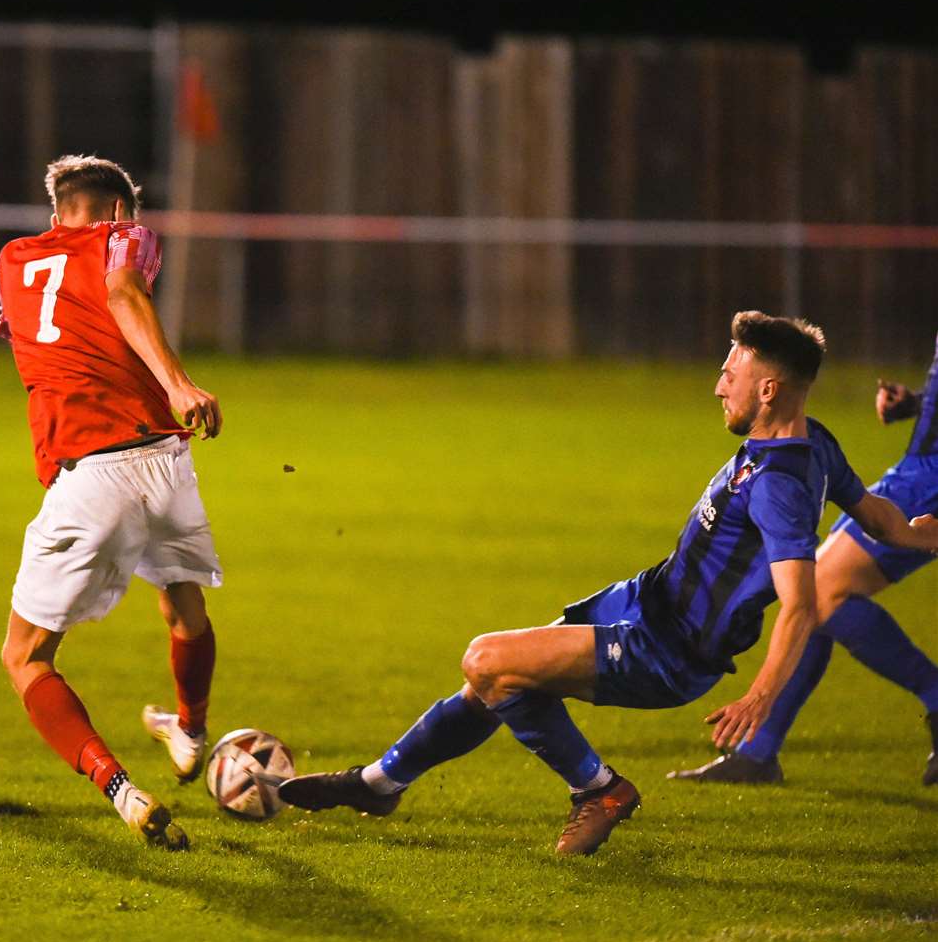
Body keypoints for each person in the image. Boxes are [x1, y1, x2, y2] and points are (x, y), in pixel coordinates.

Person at [280, 312, 938, 855]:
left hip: (668, 650)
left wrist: (761, 697)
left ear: (767, 391)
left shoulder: (777, 487)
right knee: (490, 682)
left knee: (489, 663)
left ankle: (598, 790)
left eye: (728, 374)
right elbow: (872, 511)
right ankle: (375, 783)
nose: (717, 387)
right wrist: (919, 533)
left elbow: (799, 603)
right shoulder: (812, 441)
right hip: (643, 602)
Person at [0, 155, 223, 851]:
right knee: (185, 608)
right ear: (122, 212)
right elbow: (123, 288)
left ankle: (120, 788)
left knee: (24, 657)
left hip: (91, 473)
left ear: (56, 212)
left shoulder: (13, 258)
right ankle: (189, 729)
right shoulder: (124, 236)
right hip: (164, 458)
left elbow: (34, 322)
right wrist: (178, 384)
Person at [669, 331, 938, 785]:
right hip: (923, 465)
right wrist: (918, 404)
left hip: (929, 475)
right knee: (816, 592)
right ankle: (758, 753)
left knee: (821, 590)